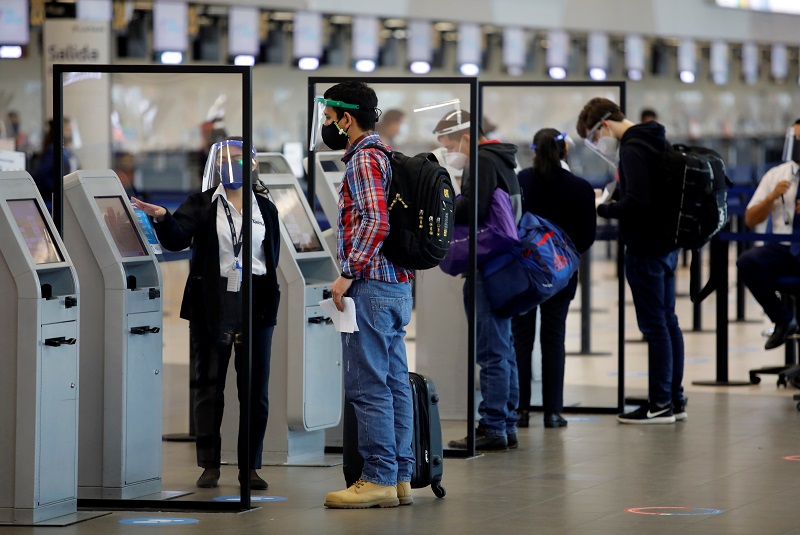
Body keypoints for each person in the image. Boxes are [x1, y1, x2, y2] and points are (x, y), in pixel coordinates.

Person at [131, 137, 280, 489]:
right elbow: (178, 238)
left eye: (241, 159)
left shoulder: (266, 208)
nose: (234, 165)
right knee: (209, 387)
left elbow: (270, 259)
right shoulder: (201, 203)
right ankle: (209, 464)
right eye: (227, 159)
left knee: (255, 391)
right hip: (212, 303)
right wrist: (163, 218)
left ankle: (251, 466)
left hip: (255, 302)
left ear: (253, 164)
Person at [319, 81, 415, 509]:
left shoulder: (362, 160)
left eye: (329, 116)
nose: (326, 124)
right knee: (394, 384)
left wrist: (347, 273)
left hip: (371, 287)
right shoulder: (386, 154)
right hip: (395, 286)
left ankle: (376, 477)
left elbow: (376, 221)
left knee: (368, 387)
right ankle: (400, 477)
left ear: (346, 118)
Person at [577, 97, 686, 425]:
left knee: (655, 326)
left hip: (646, 247)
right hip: (667, 244)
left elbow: (638, 204)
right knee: (668, 322)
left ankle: (660, 403)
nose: (599, 144)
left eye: (595, 137)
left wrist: (602, 208)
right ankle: (673, 398)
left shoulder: (633, 149)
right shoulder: (655, 139)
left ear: (605, 125)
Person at [435, 109, 522, 451]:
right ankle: (507, 422)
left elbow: (476, 207)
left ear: (466, 137)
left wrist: (441, 204)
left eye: (449, 145)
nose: (449, 153)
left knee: (491, 352)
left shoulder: (481, 160)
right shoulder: (503, 159)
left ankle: (493, 426)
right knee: (504, 348)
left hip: (487, 267)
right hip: (503, 266)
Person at [512, 129, 596, 429]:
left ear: (533, 151)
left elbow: (510, 227)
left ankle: (520, 410)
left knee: (521, 340)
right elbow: (587, 237)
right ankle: (552, 411)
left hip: (523, 274)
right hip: (561, 276)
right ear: (565, 152)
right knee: (554, 339)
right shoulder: (581, 188)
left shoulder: (521, 183)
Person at [737, 119, 800, 350]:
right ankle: (783, 320)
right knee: (747, 262)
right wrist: (771, 197)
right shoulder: (778, 174)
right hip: (783, 247)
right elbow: (751, 218)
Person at [32, 117, 80, 207]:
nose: (70, 133)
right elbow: (41, 175)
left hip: (67, 198)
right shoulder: (53, 150)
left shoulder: (68, 150)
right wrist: (57, 189)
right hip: (53, 201)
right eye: (68, 129)